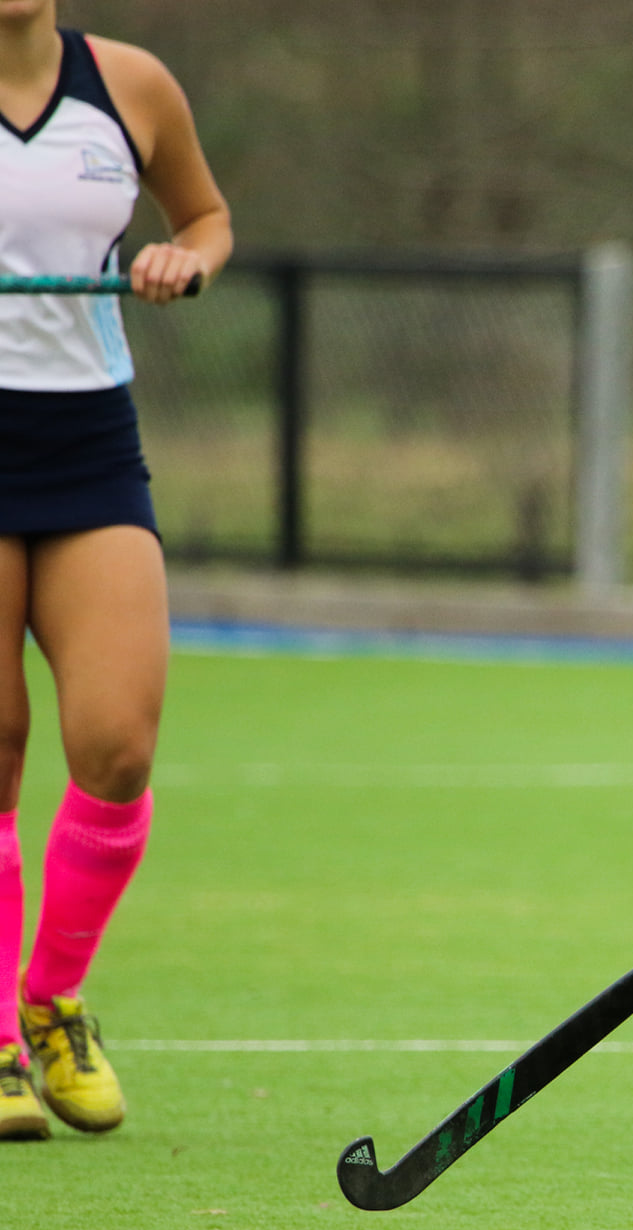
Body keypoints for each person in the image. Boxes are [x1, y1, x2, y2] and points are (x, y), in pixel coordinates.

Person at [0, 0, 230, 1140]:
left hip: (90, 443)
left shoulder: (128, 83)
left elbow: (207, 216)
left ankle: (53, 1001)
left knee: (116, 744)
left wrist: (186, 256)